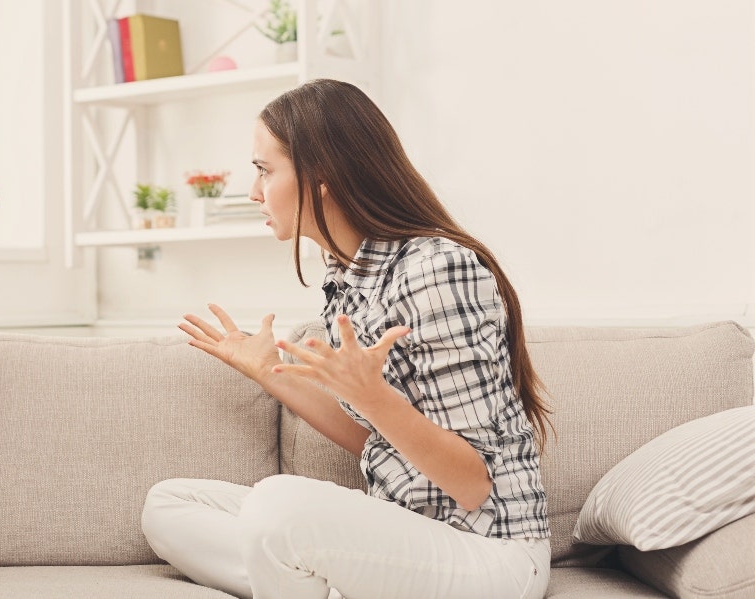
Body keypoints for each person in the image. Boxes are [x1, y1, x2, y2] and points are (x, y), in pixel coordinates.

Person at [141, 78, 554, 599]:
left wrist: (373, 398)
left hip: (487, 552)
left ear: (321, 178)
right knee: (170, 505)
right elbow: (383, 442)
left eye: (264, 170)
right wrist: (268, 372)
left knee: (277, 509)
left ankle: (306, 576)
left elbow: (472, 483)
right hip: (403, 532)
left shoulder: (436, 267)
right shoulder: (349, 275)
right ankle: (319, 581)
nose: (252, 192)